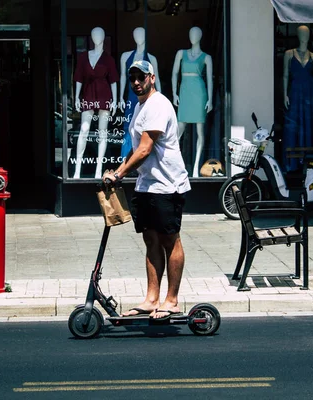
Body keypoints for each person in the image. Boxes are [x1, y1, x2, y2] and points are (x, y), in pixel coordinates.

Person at [102, 60, 191, 320]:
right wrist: (117, 170)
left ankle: (171, 300)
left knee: (169, 239)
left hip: (167, 185)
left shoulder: (158, 105)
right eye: (133, 79)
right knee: (150, 240)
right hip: (147, 184)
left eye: (141, 77)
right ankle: (152, 299)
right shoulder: (141, 107)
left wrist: (120, 174)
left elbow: (145, 149)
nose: (137, 83)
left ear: (152, 77)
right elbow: (135, 147)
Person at [73, 27, 119, 179]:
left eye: (99, 35)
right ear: (91, 37)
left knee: (102, 132)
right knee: (84, 129)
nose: (97, 37)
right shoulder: (83, 57)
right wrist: (76, 97)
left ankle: (99, 169)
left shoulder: (108, 59)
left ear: (104, 37)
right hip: (88, 93)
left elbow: (113, 81)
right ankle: (77, 169)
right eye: (94, 34)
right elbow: (78, 77)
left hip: (104, 94)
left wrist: (115, 100)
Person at [171, 26, 213, 177]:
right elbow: (174, 73)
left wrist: (210, 99)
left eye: (195, 34)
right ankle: (176, 166)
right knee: (178, 131)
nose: (192, 36)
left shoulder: (206, 57)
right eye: (190, 33)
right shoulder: (181, 53)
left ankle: (196, 167)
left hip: (199, 92)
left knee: (200, 132)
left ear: (200, 36)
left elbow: (209, 79)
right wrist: (174, 94)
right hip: (185, 91)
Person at [282, 24, 313, 172]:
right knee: (294, 124)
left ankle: (311, 161)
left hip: (309, 92)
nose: (303, 36)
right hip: (295, 92)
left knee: (308, 124)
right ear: (298, 35)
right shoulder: (289, 54)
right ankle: (293, 162)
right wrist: (284, 94)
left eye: (306, 34)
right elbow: (285, 75)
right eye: (301, 33)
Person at [118, 27, 161, 159]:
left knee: (147, 126)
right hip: (131, 96)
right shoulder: (125, 56)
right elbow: (123, 77)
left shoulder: (151, 58)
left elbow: (156, 78)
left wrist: (159, 97)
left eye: (142, 34)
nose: (139, 37)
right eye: (136, 34)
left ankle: (143, 160)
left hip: (147, 96)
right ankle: (126, 158)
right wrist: (120, 97)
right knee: (129, 127)